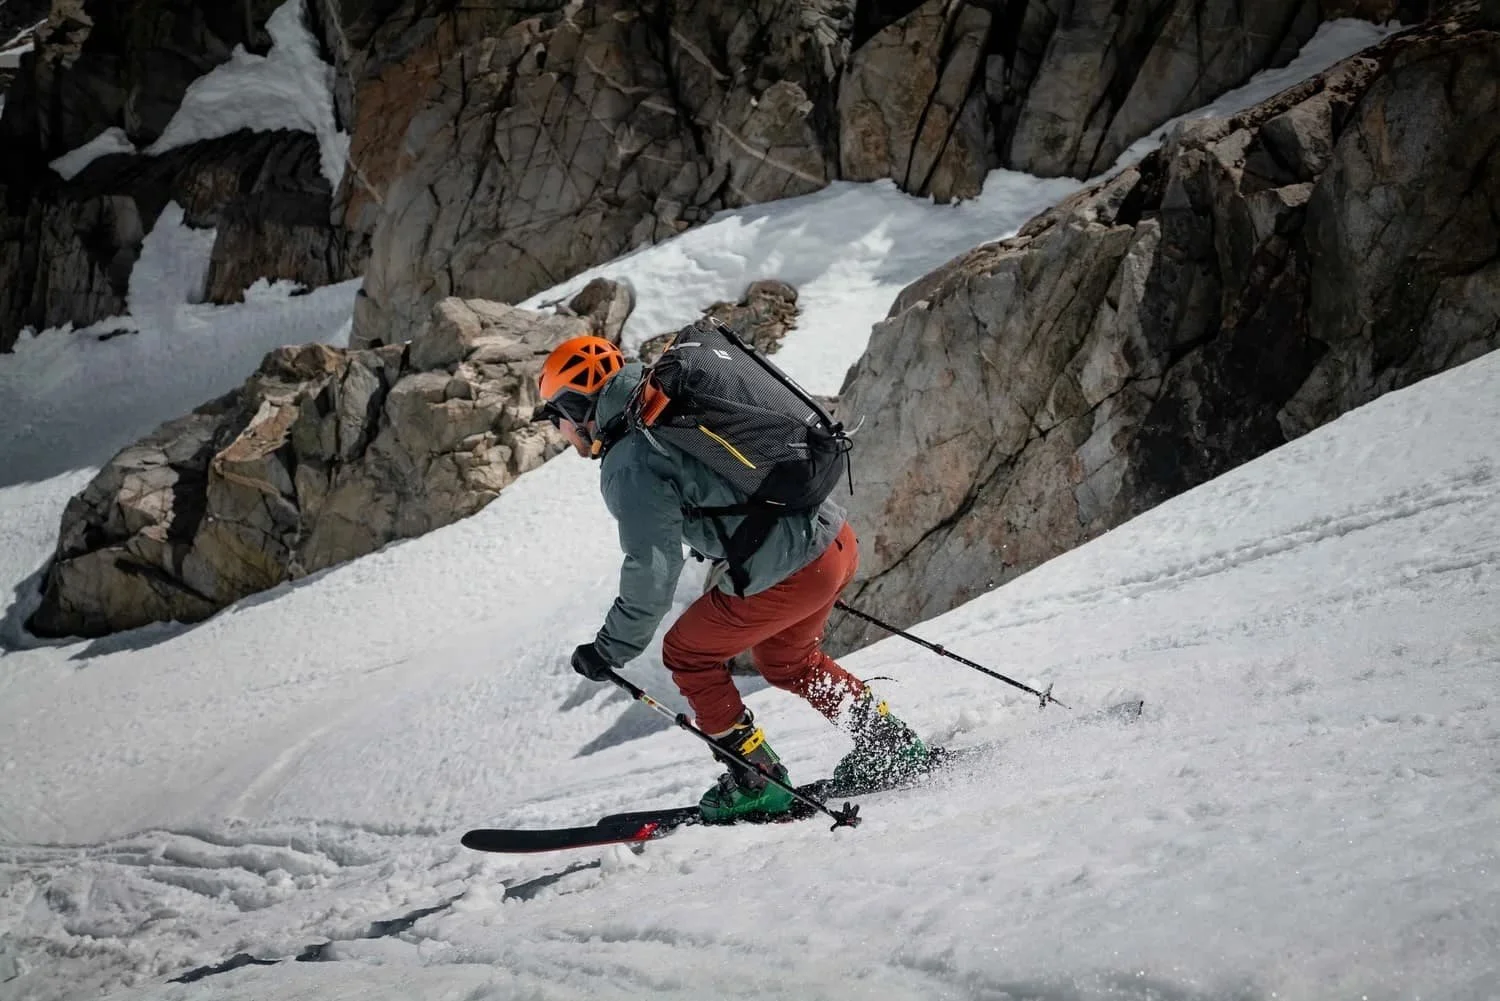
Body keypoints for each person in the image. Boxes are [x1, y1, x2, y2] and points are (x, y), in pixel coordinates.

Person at [534, 333, 934, 822]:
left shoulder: (631, 457)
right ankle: (887, 743)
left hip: (791, 568)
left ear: (578, 407)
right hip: (833, 540)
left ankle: (757, 780)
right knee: (786, 660)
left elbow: (653, 568)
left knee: (687, 653)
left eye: (557, 417)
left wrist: (608, 650)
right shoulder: (666, 401)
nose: (560, 431)